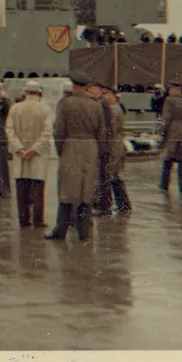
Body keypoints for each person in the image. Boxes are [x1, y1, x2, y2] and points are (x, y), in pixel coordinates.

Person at [44, 70, 104, 242]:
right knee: (86, 189)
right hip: (90, 146)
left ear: (74, 85)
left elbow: (59, 130)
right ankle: (84, 231)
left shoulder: (65, 103)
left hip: (70, 145)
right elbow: (101, 131)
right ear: (86, 86)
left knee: (67, 189)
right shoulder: (96, 105)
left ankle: (60, 229)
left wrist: (60, 149)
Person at [5, 79, 54, 228]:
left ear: (25, 92)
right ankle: (38, 220)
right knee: (38, 188)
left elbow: (9, 130)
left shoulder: (15, 108)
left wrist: (19, 149)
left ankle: (23, 220)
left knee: (21, 187)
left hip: (20, 155)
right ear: (39, 93)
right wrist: (34, 149)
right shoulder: (45, 109)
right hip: (38, 155)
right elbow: (47, 133)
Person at [91, 80, 132, 214]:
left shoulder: (113, 110)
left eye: (105, 93)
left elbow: (110, 130)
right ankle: (122, 205)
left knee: (111, 175)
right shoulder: (116, 108)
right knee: (112, 175)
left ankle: (115, 205)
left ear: (113, 95)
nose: (103, 96)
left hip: (113, 144)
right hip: (115, 143)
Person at [159, 78, 182, 193]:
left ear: (174, 89)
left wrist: (163, 132)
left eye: (170, 89)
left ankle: (164, 184)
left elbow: (166, 118)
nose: (169, 91)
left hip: (172, 130)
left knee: (168, 157)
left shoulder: (169, 101)